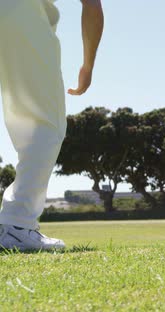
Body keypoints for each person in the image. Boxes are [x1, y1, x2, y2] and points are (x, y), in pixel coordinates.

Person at [0, 0, 104, 251]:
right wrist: (87, 66)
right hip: (19, 16)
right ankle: (17, 224)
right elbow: (92, 4)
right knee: (45, 122)